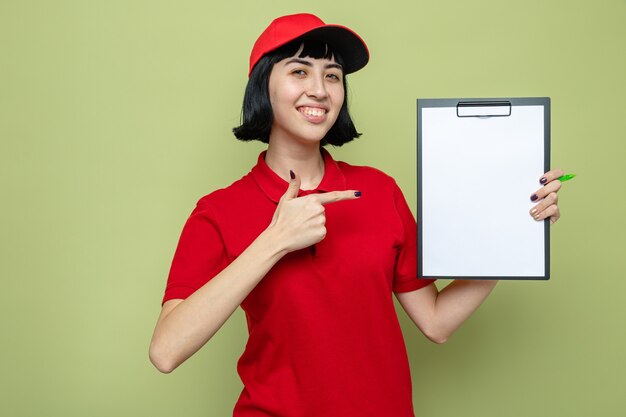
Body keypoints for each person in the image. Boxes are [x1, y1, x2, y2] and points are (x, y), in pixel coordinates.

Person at [149, 13, 564, 417]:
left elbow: (437, 322)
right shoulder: (219, 210)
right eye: (299, 71)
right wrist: (275, 240)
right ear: (263, 86)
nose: (320, 90)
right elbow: (166, 351)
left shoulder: (380, 191)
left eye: (332, 75)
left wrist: (512, 230)